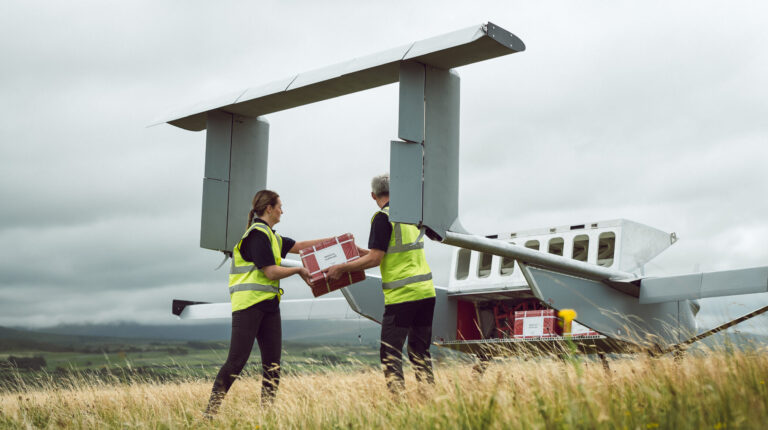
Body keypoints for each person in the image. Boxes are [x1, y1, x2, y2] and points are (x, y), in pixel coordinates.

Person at [205, 190, 331, 416]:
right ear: (269, 208)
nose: (283, 210)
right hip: (249, 306)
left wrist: (334, 241)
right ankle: (209, 413)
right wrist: (299, 270)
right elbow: (271, 272)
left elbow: (300, 246)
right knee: (236, 362)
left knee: (273, 366)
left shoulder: (271, 236)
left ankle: (266, 416)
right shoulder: (257, 235)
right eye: (280, 206)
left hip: (269, 306)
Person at [325, 173, 435, 393]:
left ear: (373, 195)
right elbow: (385, 253)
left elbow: (375, 259)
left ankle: (398, 406)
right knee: (419, 351)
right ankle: (429, 400)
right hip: (426, 293)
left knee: (390, 353)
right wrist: (357, 252)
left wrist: (341, 267)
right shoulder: (411, 216)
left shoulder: (382, 218)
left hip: (402, 296)